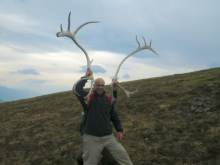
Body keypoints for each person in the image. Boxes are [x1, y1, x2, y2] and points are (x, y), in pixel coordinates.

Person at [74, 68, 133, 165]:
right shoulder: (88, 98)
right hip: (92, 137)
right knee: (88, 162)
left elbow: (114, 116)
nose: (100, 87)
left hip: (107, 137)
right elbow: (77, 89)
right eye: (98, 85)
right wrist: (85, 77)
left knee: (123, 158)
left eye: (102, 85)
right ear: (94, 86)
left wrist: (119, 130)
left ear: (104, 86)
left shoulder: (108, 99)